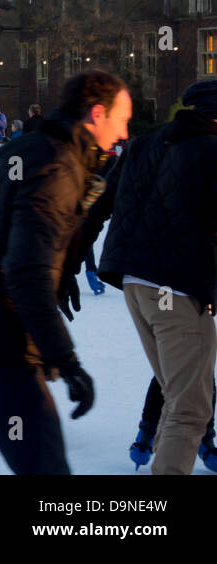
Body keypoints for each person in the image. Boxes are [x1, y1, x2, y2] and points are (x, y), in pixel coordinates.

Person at [0, 70, 130, 474]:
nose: (124, 132)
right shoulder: (56, 167)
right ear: (97, 113)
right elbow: (26, 272)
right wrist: (65, 359)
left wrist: (61, 278)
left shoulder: (28, 150)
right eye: (121, 119)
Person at [78, 79, 217, 475]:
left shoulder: (144, 145)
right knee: (190, 408)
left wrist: (69, 259)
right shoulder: (211, 151)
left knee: (182, 393)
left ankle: (148, 439)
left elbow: (99, 203)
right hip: (175, 289)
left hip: (138, 285)